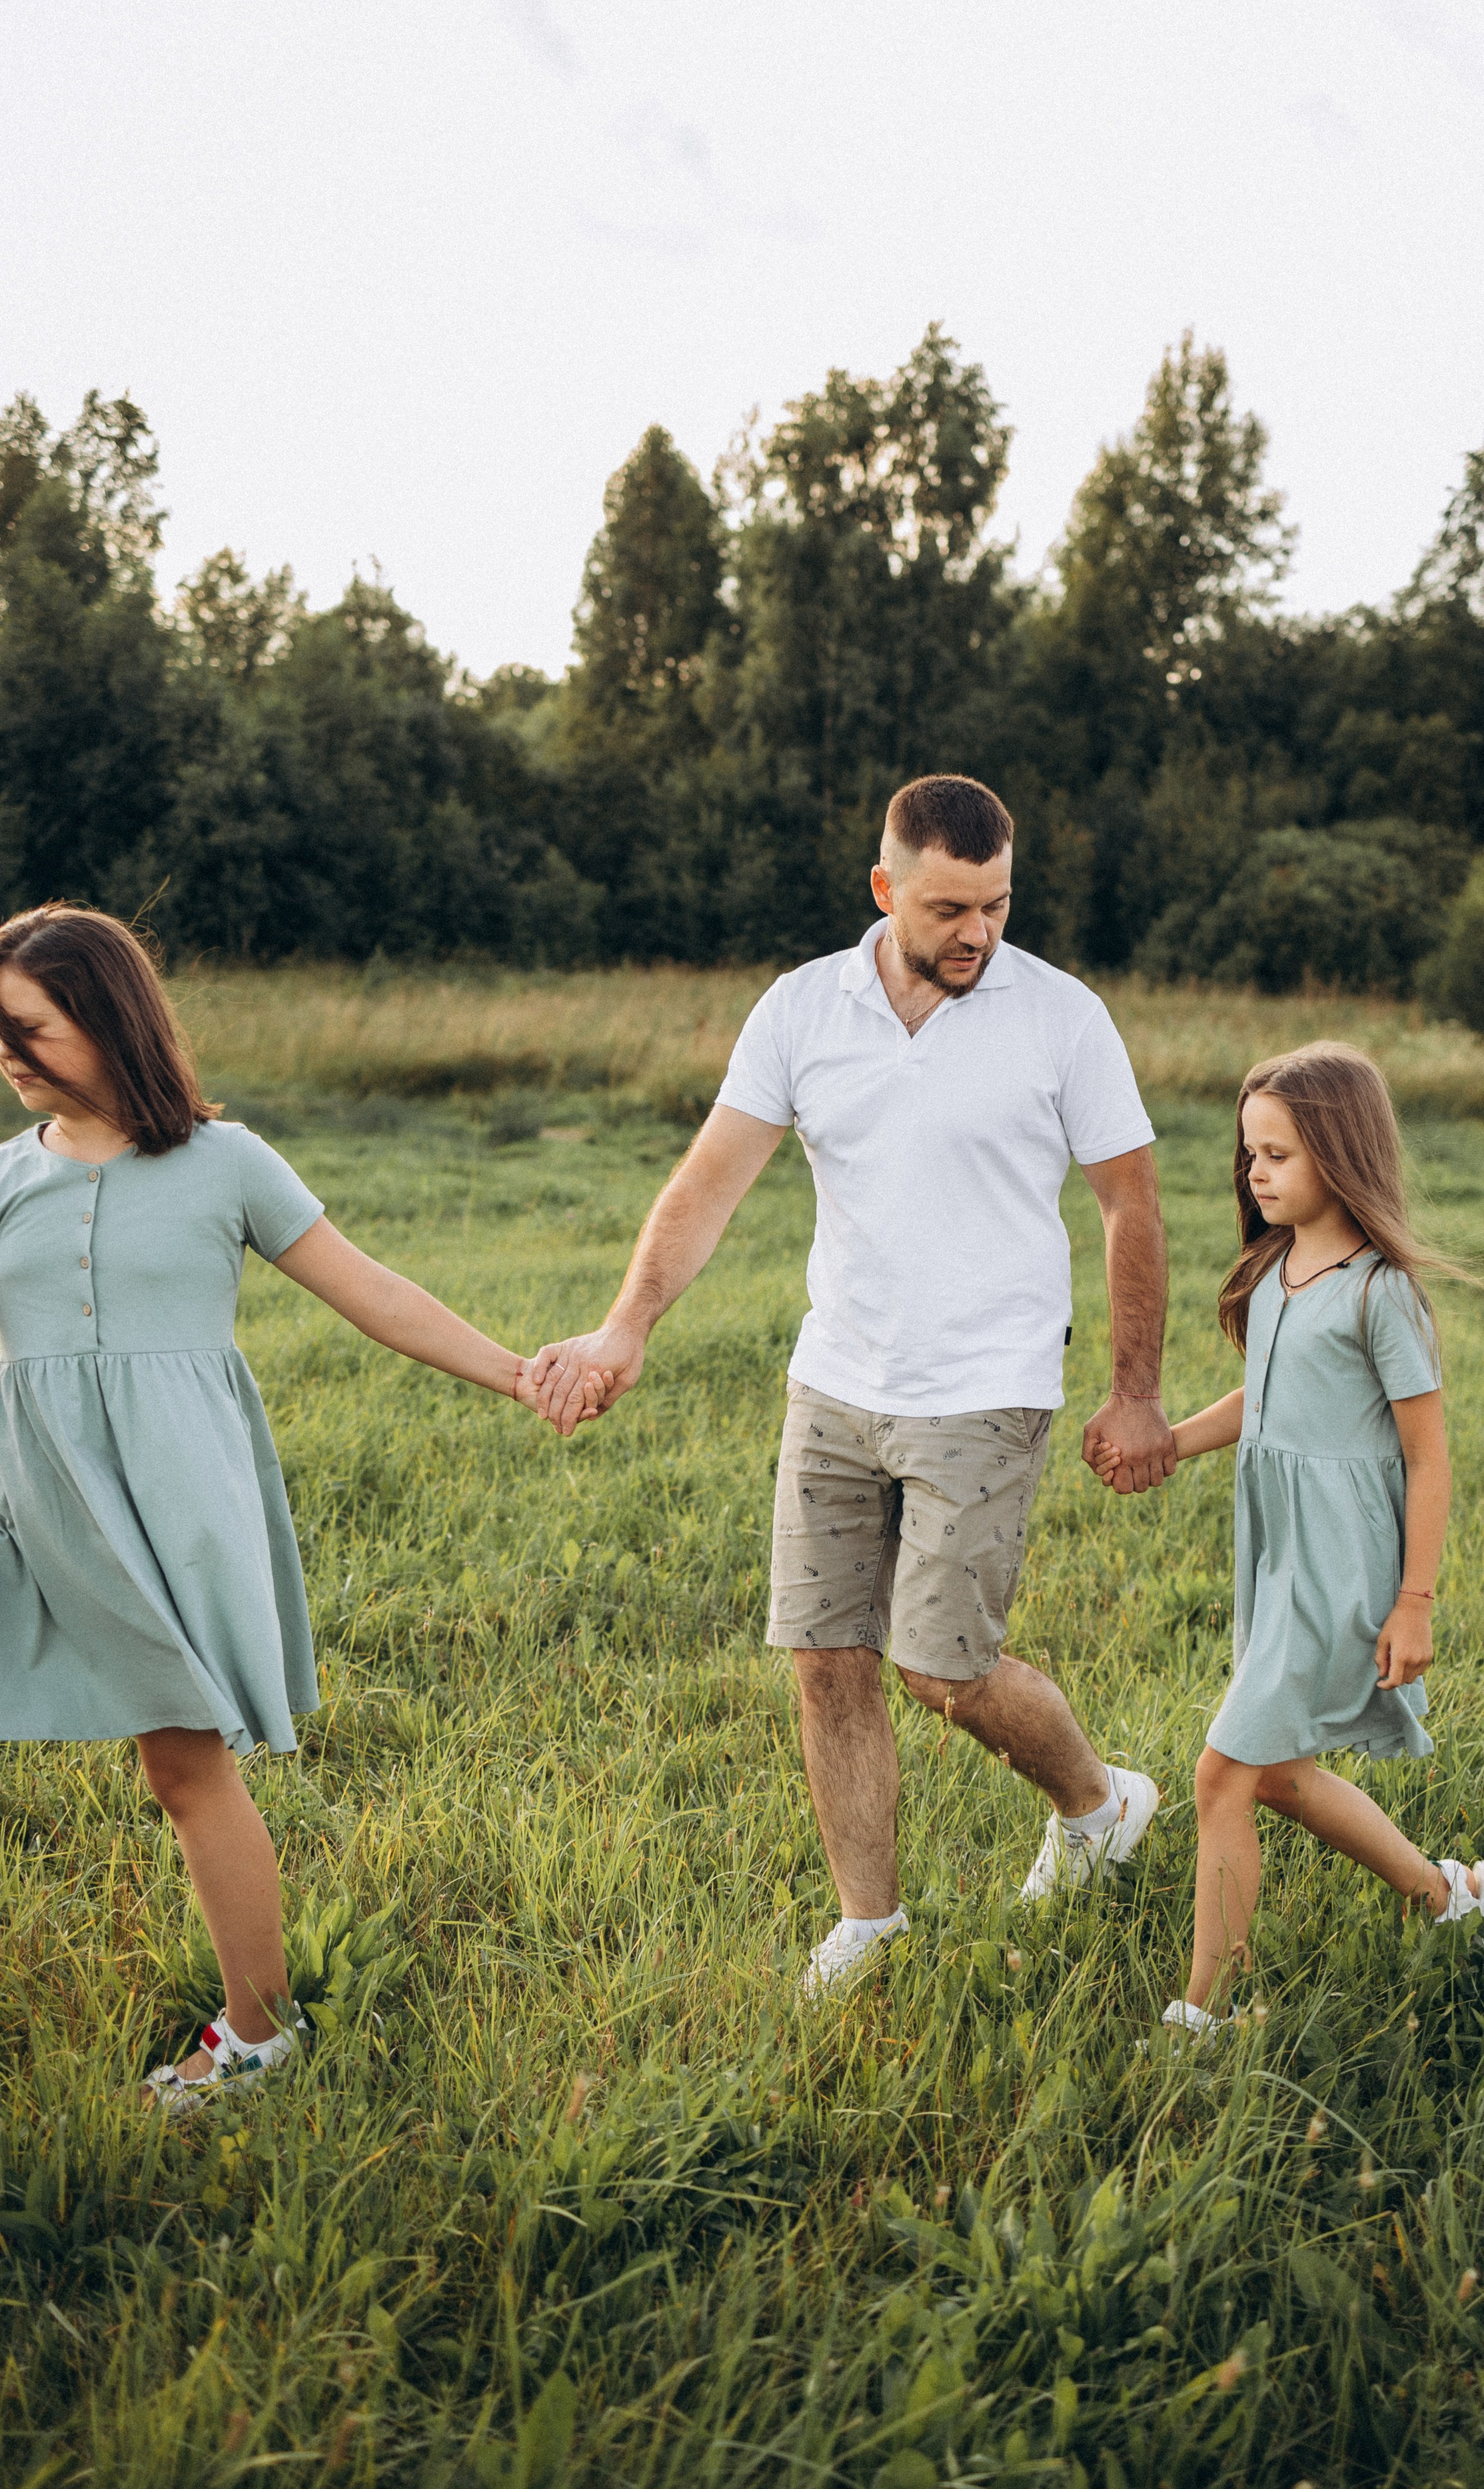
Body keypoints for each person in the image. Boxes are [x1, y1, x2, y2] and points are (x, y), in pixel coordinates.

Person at [528, 773, 1176, 1998]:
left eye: (995, 905)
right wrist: (627, 1326)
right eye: (947, 909)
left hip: (988, 1384)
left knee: (943, 1668)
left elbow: (1128, 1203)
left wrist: (1133, 1389)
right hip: (833, 1383)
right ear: (884, 891)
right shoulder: (800, 1010)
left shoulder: (1062, 1018)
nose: (977, 933)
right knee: (827, 1657)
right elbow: (711, 1181)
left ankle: (1099, 1806)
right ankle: (869, 1925)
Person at [0, 905, 572, 2109]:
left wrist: (517, 1372)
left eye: (28, 1027)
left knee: (183, 1763)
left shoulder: (226, 1164)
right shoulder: (7, 1179)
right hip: (39, 1505)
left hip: (178, 1504)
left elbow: (372, 1292)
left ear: (107, 1020)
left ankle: (260, 2033)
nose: (7, 1052)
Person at [1101, 1041, 1484, 2037]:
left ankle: (1203, 2015)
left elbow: (1428, 1457)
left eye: (1279, 1154)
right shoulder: (1279, 1269)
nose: (1258, 1173)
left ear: (1341, 1151)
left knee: (1222, 1776)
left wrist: (1414, 1601)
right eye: (1251, 1155)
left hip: (1343, 1563)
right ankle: (1448, 1897)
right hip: (1279, 1558)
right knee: (1277, 1773)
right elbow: (1267, 1398)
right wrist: (1171, 1443)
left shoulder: (1381, 1293)